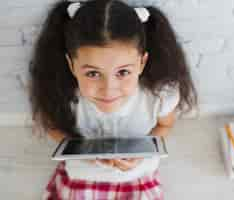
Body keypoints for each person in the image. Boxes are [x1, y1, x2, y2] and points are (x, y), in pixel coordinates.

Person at [29, 0, 197, 199]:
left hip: (137, 176)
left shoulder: (160, 94)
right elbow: (52, 127)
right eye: (92, 73)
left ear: (142, 62)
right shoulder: (61, 93)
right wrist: (85, 152)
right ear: (72, 64)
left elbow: (165, 125)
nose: (108, 90)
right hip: (82, 175)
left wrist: (141, 154)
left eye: (123, 72)